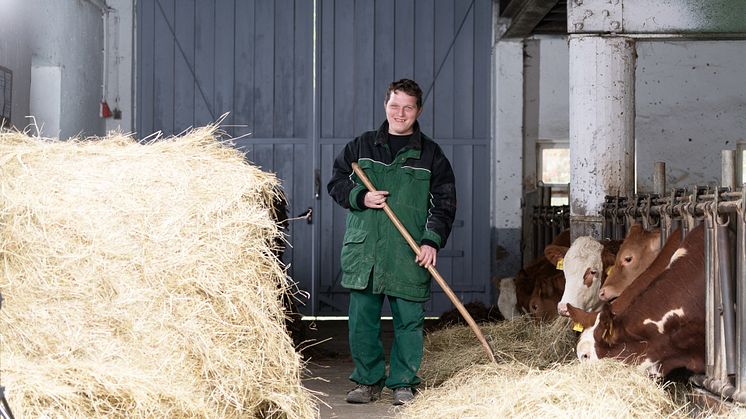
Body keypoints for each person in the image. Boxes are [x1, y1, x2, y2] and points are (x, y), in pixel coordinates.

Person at [327, 79, 456, 406]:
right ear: (386, 106)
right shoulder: (361, 146)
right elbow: (336, 182)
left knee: (409, 322)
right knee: (362, 322)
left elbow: (444, 202)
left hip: (408, 250)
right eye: (395, 106)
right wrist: (361, 196)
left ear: (418, 111)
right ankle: (367, 382)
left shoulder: (431, 154)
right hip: (366, 249)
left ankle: (403, 383)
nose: (400, 113)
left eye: (408, 107)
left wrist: (431, 242)